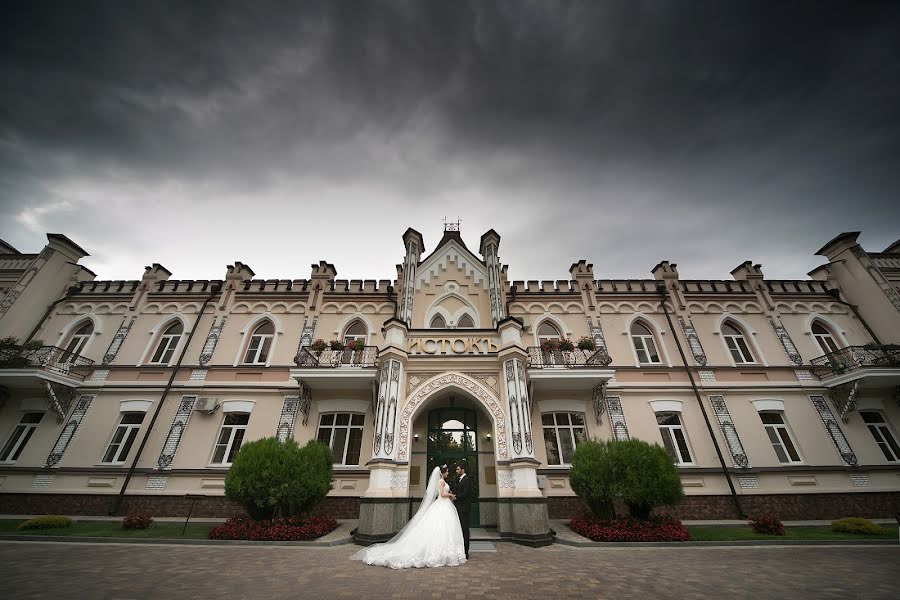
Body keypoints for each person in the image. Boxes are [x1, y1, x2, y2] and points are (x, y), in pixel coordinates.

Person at [350, 465, 466, 569]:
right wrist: (450, 495)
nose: (448, 473)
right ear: (442, 472)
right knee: (440, 528)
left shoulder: (443, 482)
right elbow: (441, 494)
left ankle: (445, 552)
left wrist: (450, 493)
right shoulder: (441, 482)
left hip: (445, 506)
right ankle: (438, 553)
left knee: (444, 529)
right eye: (447, 472)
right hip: (442, 504)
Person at [451, 463, 475, 559]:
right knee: (460, 530)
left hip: (464, 509)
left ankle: (466, 552)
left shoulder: (467, 480)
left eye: (458, 469)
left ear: (463, 470)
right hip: (459, 508)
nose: (456, 471)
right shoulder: (460, 480)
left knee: (465, 530)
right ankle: (461, 550)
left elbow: (465, 493)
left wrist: (455, 497)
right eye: (456, 469)